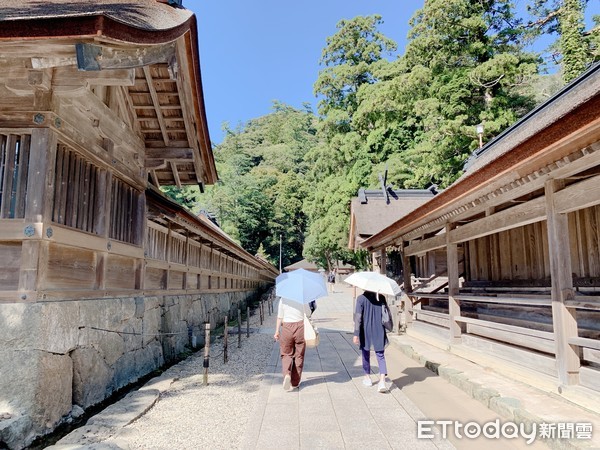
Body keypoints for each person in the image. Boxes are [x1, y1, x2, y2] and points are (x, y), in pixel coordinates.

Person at [352, 290, 389, 393]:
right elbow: (385, 314)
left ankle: (367, 378)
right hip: (379, 329)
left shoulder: (361, 299)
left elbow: (358, 317)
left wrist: (356, 333)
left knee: (365, 354)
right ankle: (382, 381)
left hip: (365, 330)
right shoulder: (381, 298)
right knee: (380, 355)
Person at [274, 297, 309, 391]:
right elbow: (308, 313)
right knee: (299, 355)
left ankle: (286, 374)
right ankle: (295, 382)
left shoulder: (283, 299)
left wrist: (277, 331)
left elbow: (280, 317)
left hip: (287, 327)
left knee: (286, 353)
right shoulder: (303, 298)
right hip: (300, 327)